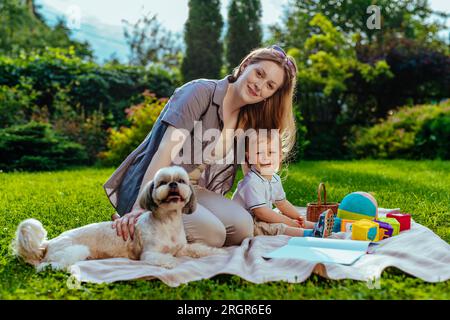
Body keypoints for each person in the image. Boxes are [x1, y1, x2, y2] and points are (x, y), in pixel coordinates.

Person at [105, 45, 298, 247]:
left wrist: (273, 207)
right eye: (259, 74)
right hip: (159, 184)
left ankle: (171, 228)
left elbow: (253, 173)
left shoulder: (247, 118)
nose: (259, 86)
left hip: (194, 189)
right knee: (212, 236)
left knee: (243, 227)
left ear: (271, 95)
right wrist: (141, 207)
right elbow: (165, 151)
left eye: (270, 86)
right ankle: (140, 221)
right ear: (246, 65)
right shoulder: (200, 92)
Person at [232, 130, 335, 238]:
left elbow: (282, 203)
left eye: (271, 152)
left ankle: (318, 226)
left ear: (280, 156)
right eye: (258, 153)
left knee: (286, 218)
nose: (265, 157)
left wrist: (299, 217)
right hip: (244, 223)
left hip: (259, 217)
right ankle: (310, 234)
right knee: (276, 226)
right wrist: (288, 222)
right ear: (249, 157)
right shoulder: (251, 181)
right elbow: (261, 213)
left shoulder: (275, 178)